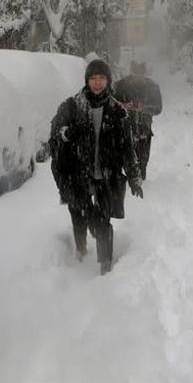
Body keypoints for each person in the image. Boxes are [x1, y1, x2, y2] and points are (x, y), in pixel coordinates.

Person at [49, 59, 143, 274]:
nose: (98, 83)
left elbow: (128, 147)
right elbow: (55, 134)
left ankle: (105, 265)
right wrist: (67, 134)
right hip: (76, 174)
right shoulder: (72, 106)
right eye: (93, 78)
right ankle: (80, 250)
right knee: (78, 213)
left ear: (108, 80)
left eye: (102, 78)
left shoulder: (118, 111)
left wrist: (134, 175)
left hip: (105, 175)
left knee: (102, 220)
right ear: (87, 80)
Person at [114, 61, 163, 180]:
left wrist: (144, 108)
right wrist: (123, 106)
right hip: (123, 132)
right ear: (130, 73)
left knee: (142, 163)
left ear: (145, 74)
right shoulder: (120, 85)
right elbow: (110, 104)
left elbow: (158, 108)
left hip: (144, 132)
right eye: (135, 75)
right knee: (123, 163)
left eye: (140, 76)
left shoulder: (153, 87)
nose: (137, 79)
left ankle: (142, 189)